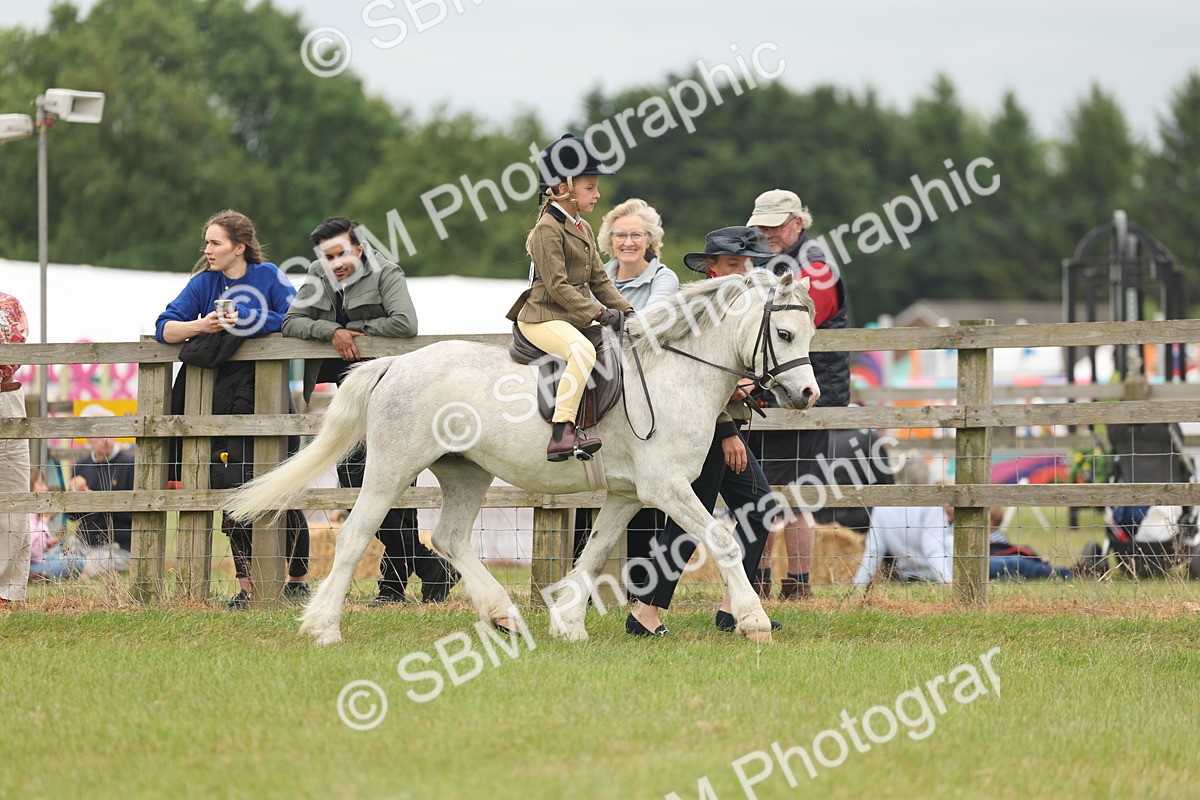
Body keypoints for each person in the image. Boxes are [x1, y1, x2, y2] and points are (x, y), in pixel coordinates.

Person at [283, 216, 458, 604]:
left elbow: (405, 323)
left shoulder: (387, 273)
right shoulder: (317, 274)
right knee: (352, 487)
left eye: (341, 254)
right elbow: (291, 322)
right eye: (327, 256)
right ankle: (431, 566)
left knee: (398, 487)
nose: (334, 263)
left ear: (359, 249)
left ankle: (392, 588)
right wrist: (332, 332)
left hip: (393, 395)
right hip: (349, 399)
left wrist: (359, 331)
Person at [626, 227, 785, 637]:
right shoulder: (702, 308)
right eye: (733, 264)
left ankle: (733, 606)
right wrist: (728, 430)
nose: (743, 271)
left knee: (758, 507)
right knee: (690, 518)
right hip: (700, 430)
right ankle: (645, 612)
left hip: (721, 426)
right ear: (712, 266)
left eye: (747, 263)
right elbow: (690, 381)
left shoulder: (742, 305)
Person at [155, 209, 310, 610]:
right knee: (230, 485)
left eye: (215, 242)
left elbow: (296, 317)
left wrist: (246, 318)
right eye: (206, 242)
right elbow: (164, 327)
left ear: (239, 247)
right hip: (219, 401)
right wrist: (201, 326)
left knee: (281, 482)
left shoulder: (268, 275)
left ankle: (296, 578)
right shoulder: (204, 283)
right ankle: (248, 587)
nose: (207, 249)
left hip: (267, 396)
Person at [745, 189, 853, 600]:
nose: (768, 232)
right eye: (762, 226)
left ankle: (791, 585)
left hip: (805, 395)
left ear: (797, 222)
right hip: (775, 393)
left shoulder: (816, 268)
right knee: (768, 493)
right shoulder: (768, 262)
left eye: (775, 225)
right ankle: (769, 583)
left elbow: (799, 321)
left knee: (787, 495)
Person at [506, 133, 633, 461]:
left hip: (569, 316)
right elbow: (558, 287)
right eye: (590, 187)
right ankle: (562, 432)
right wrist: (599, 313)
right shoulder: (546, 229)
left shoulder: (583, 228)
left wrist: (629, 311)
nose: (597, 194)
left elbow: (600, 280)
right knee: (582, 350)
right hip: (541, 316)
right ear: (564, 188)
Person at [573, 199, 680, 583]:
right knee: (587, 482)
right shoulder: (598, 276)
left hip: (644, 393)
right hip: (598, 385)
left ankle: (641, 591)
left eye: (636, 234)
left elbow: (648, 327)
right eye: (620, 235)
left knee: (642, 492)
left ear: (650, 239)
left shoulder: (664, 279)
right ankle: (581, 586)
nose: (628, 242)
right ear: (609, 239)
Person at [853, 457, 953, 586]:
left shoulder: (882, 506)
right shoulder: (931, 505)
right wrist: (947, 581)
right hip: (938, 574)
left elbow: (873, 551)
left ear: (899, 477)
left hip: (907, 575)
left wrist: (858, 585)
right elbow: (932, 547)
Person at [67, 406, 135, 576]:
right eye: (100, 434)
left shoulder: (130, 464)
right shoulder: (80, 466)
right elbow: (72, 517)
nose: (106, 440)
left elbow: (133, 513)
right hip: (83, 543)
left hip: (117, 546)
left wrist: (94, 498)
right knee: (61, 564)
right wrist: (74, 494)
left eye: (110, 434)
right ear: (89, 438)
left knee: (89, 566)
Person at [0, 291, 30, 606]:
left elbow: (19, 346)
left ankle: (6, 592)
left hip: (4, 396)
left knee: (12, 496)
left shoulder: (8, 304)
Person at [985, 506, 1074, 580]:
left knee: (1022, 564)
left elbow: (1005, 549)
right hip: (1001, 560)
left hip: (1005, 558)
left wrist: (1036, 557)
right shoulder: (994, 535)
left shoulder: (996, 535)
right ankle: (1068, 572)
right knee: (1021, 564)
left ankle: (1069, 571)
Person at [29, 469, 85, 581]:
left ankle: (38, 574)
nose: (46, 488)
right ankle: (34, 575)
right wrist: (44, 520)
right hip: (30, 564)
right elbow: (32, 551)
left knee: (61, 551)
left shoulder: (34, 513)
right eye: (41, 483)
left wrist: (48, 543)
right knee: (77, 562)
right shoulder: (28, 515)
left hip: (38, 560)